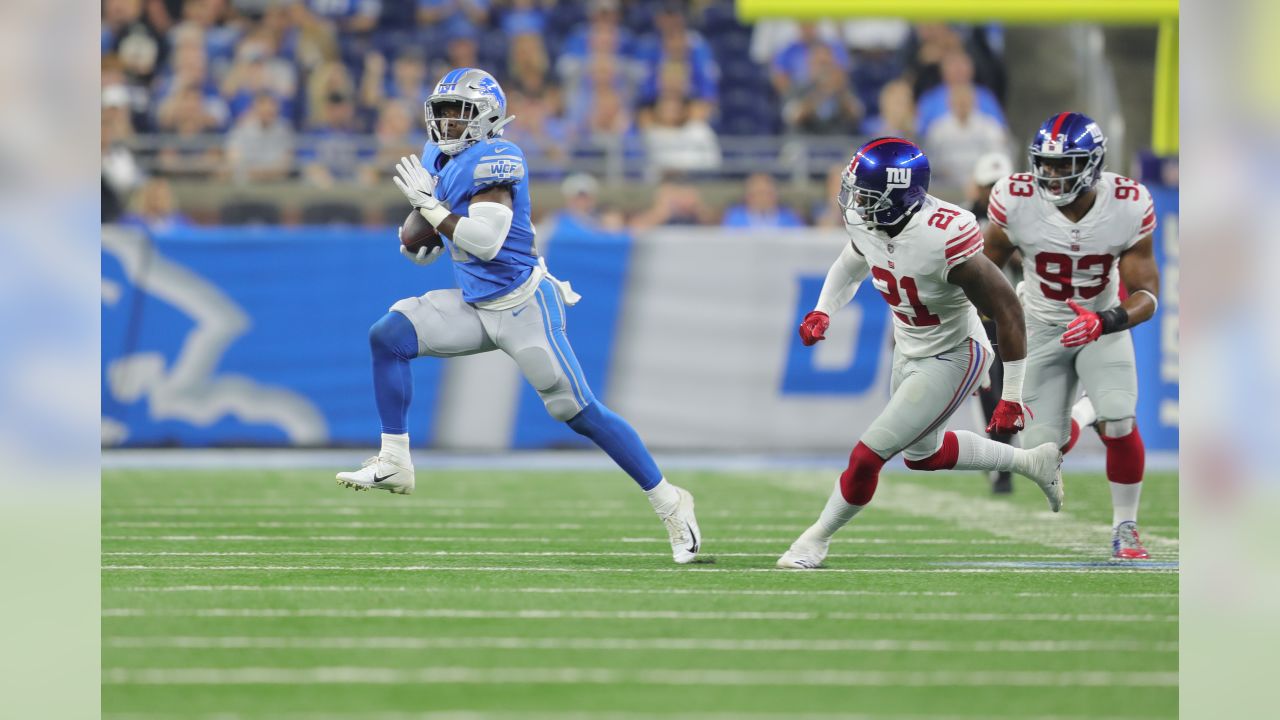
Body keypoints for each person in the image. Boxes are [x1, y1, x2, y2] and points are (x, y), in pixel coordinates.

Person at [336, 68, 703, 565]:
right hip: (475, 302)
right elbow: (439, 226)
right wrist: (422, 243)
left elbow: (486, 242)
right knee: (390, 335)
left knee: (577, 411)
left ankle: (671, 502)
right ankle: (395, 460)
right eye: (441, 111)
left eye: (458, 112)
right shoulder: (438, 155)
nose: (447, 122)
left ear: (486, 116)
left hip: (521, 305)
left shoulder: (497, 158)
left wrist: (428, 205)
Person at [776, 137, 1063, 570]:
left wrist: (1012, 395)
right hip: (909, 347)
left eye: (868, 195)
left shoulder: (944, 235)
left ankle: (814, 540)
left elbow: (1008, 310)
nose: (856, 203)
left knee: (867, 456)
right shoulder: (869, 223)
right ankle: (1031, 462)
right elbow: (850, 263)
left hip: (954, 353)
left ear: (898, 197)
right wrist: (823, 310)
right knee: (923, 457)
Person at [983, 112, 1161, 559]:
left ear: (1093, 163)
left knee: (1119, 420)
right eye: (1045, 163)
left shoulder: (1128, 202)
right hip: (1040, 325)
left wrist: (1108, 320)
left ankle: (1125, 527)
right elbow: (984, 268)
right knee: (1042, 451)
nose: (1052, 174)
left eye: (1065, 165)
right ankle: (1083, 411)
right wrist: (989, 318)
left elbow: (1148, 294)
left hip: (1100, 322)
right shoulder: (1016, 198)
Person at [967, 152, 1017, 493]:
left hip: (1011, 315)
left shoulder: (1022, 217)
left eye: (1002, 185)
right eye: (991, 186)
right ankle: (998, 458)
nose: (996, 191)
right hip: (974, 316)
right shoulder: (962, 218)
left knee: (1010, 390)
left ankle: (1004, 459)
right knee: (987, 390)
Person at [722, 173, 804, 229]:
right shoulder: (734, 217)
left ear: (774, 196)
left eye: (766, 193)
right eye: (758, 193)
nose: (762, 199)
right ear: (748, 196)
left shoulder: (789, 217)